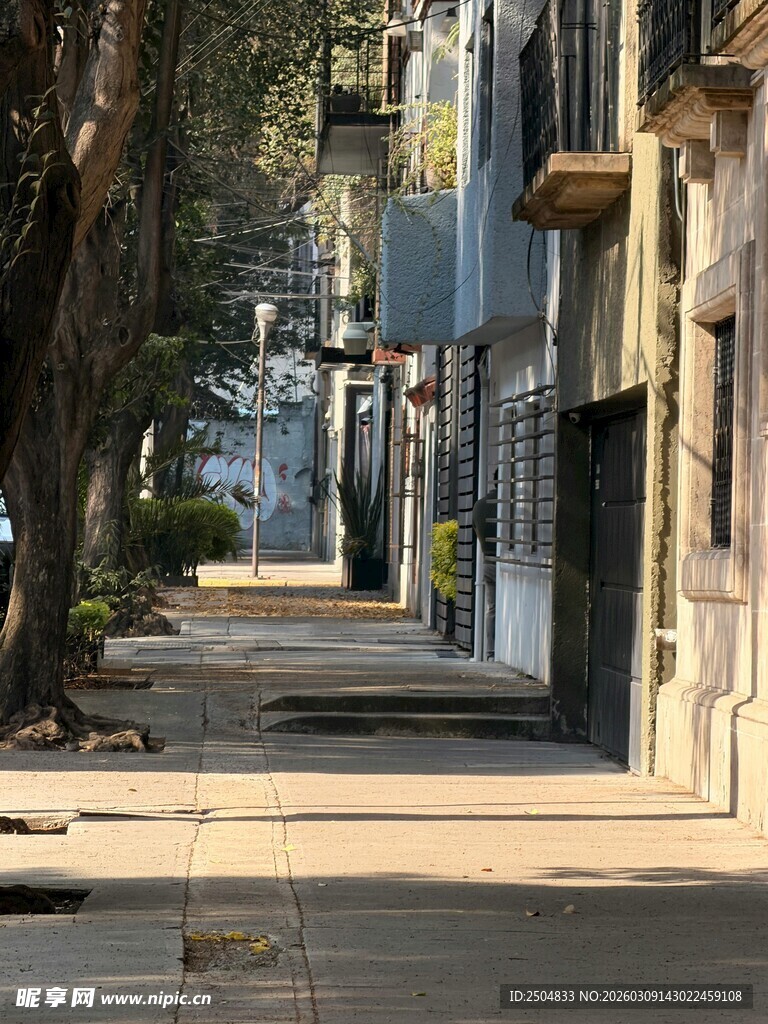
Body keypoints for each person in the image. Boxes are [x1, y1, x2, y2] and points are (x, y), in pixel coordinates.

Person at [472, 472, 498, 659]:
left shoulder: (479, 505)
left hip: (486, 559)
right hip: (502, 560)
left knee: (492, 608)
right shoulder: (505, 504)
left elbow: (474, 528)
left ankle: (491, 651)